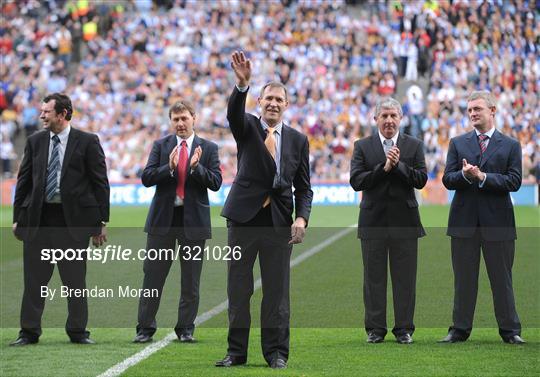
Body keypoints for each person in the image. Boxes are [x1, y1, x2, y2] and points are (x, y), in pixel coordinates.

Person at [215, 51, 313, 369]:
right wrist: (240, 85)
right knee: (239, 290)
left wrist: (301, 217)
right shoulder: (247, 128)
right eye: (268, 98)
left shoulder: (298, 141)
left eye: (278, 100)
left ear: (286, 105)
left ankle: (276, 353)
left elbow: (304, 187)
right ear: (259, 101)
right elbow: (232, 115)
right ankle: (236, 353)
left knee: (276, 293)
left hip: (278, 223)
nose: (273, 103)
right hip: (243, 220)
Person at [11, 93, 109, 346]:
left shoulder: (87, 141)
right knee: (34, 282)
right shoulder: (35, 141)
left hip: (72, 224)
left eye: (46, 111)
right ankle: (28, 333)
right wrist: (18, 218)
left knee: (75, 282)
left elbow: (100, 183)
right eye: (42, 111)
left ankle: (78, 332)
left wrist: (100, 222)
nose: (41, 115)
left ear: (62, 114)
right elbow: (24, 182)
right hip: (39, 221)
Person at [134, 100, 222, 343]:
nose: (181, 123)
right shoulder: (160, 146)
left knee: (190, 281)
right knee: (152, 276)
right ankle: (145, 329)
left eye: (184, 118)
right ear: (171, 121)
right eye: (176, 119)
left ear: (194, 118)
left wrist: (196, 169)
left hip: (193, 224)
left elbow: (216, 182)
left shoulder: (209, 148)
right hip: (162, 222)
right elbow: (147, 177)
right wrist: (169, 167)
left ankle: (185, 329)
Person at [440, 90, 524, 344]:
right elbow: (447, 179)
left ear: (492, 111)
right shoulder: (458, 143)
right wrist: (465, 176)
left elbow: (515, 181)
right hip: (464, 223)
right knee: (464, 281)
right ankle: (459, 329)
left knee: (502, 280)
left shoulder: (511, 145)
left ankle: (510, 331)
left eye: (478, 109)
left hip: (498, 224)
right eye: (470, 110)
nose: (473, 114)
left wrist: (483, 177)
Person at [349, 97, 427, 345]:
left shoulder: (414, 146)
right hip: (373, 222)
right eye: (384, 116)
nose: (389, 120)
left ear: (401, 119)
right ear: (376, 119)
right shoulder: (362, 146)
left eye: (394, 116)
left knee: (405, 279)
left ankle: (404, 329)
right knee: (373, 279)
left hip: (405, 222)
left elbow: (421, 180)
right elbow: (356, 181)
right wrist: (383, 168)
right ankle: (375, 329)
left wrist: (398, 166)